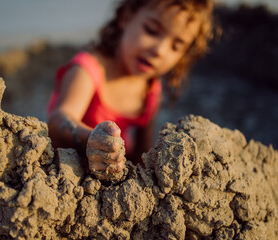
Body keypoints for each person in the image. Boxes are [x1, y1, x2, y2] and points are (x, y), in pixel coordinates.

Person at [47, 0, 213, 177]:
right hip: (69, 170)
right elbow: (58, 121)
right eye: (151, 30)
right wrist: (92, 140)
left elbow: (143, 153)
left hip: (113, 169)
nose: (160, 50)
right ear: (126, 17)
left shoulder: (150, 89)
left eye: (176, 46)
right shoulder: (88, 70)